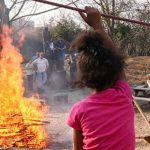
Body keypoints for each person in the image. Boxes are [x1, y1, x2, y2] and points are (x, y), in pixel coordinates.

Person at [67, 7, 135, 150]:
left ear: (83, 78)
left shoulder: (79, 110)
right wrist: (98, 26)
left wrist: (96, 26)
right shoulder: (123, 96)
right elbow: (117, 62)